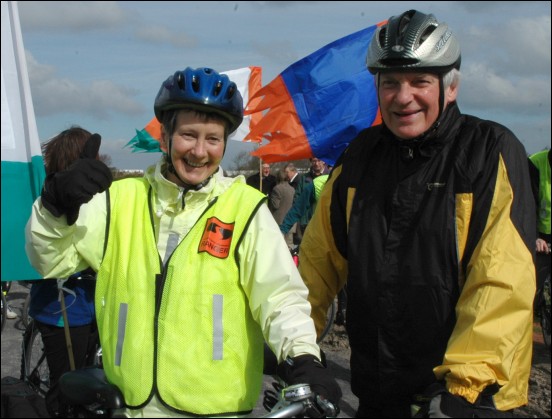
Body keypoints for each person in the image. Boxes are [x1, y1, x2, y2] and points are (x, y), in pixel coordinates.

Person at [25, 67, 341, 417]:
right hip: (132, 408)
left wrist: (303, 357)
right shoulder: (120, 200)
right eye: (189, 135)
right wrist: (54, 207)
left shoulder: (244, 209)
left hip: (217, 410)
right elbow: (49, 260)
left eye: (213, 139)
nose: (200, 152)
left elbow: (280, 297)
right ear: (165, 137)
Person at [298, 9, 536, 418]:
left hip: (463, 400)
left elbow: (502, 280)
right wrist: (294, 349)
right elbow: (317, 265)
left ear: (450, 87)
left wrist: (464, 387)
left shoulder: (488, 151)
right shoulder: (359, 155)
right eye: (390, 83)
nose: (402, 96)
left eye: (420, 81)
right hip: (379, 391)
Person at [27, 126, 99, 417]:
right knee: (66, 385)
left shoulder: (97, 197)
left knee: (91, 377)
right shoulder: (51, 200)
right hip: (62, 311)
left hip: (95, 304)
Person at [529, 149, 551, 292]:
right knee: (532, 289)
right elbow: (526, 204)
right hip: (541, 239)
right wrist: (535, 237)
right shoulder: (535, 163)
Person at [269, 169, 296, 249]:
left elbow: (275, 205)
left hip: (279, 221)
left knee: (279, 247)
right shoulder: (292, 189)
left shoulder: (276, 189)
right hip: (291, 222)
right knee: (289, 246)